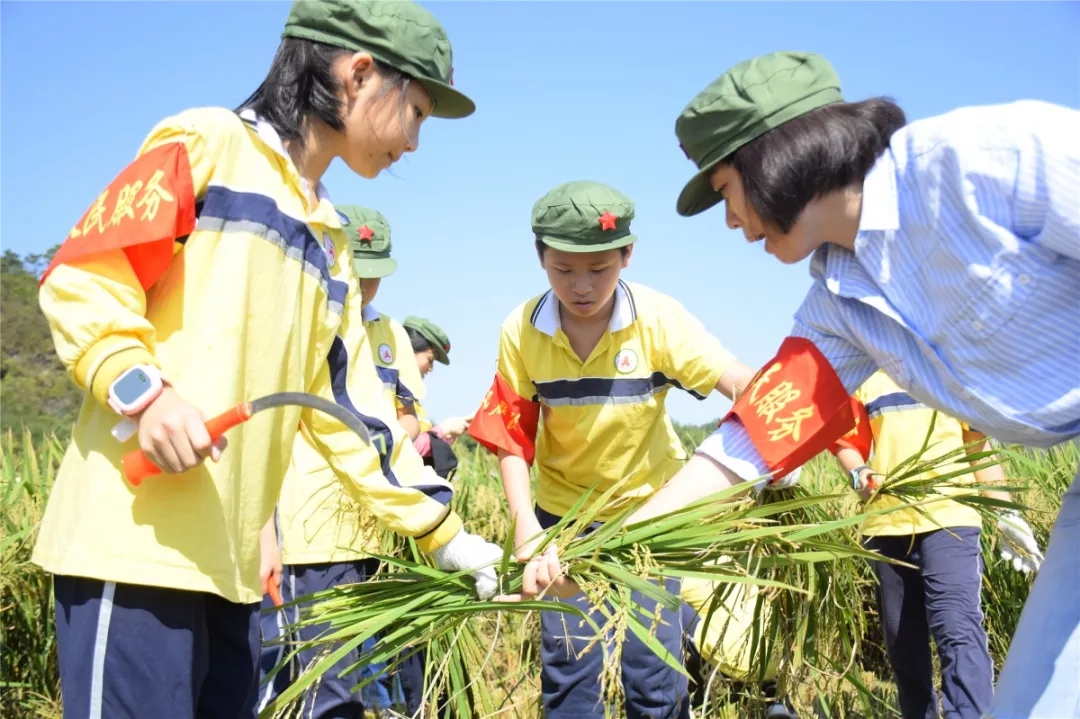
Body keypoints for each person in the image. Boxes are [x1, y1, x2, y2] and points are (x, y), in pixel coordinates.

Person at [517, 51, 1078, 719]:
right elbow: (740, 449)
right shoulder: (842, 307)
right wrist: (602, 550)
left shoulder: (974, 160)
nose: (729, 219)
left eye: (726, 190)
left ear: (773, 158)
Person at [33, 3, 502, 717]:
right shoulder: (209, 145)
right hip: (132, 550)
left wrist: (444, 533)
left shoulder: (328, 238)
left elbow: (348, 410)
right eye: (416, 111)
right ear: (359, 74)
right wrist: (146, 393)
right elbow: (85, 275)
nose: (414, 139)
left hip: (230, 575)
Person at [468, 180, 759, 719]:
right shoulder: (522, 330)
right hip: (566, 524)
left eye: (599, 269)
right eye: (563, 270)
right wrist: (525, 524)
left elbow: (737, 378)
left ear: (627, 254)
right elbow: (511, 435)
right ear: (540, 259)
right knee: (571, 669)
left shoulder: (657, 319)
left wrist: (764, 410)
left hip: (649, 518)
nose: (581, 287)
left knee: (652, 672)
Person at [257, 205, 431, 717]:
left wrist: (389, 440)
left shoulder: (389, 335)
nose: (367, 286)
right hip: (313, 537)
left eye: (376, 275)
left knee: (370, 683)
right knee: (320, 685)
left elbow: (411, 414)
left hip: (381, 535)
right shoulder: (294, 327)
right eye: (360, 272)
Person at [833, 370, 1040, 719]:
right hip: (887, 523)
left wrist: (1008, 516)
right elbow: (846, 442)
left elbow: (978, 444)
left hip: (950, 520)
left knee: (956, 626)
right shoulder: (865, 376)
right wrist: (859, 474)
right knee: (903, 641)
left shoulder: (948, 370)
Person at [680, 570, 797, 719]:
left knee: (673, 612)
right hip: (774, 651)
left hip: (735, 656)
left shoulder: (676, 576)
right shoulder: (734, 559)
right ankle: (776, 697)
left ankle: (682, 704)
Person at [403, 315, 472, 476]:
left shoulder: (410, 399)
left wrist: (447, 433)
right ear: (408, 350)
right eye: (430, 359)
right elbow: (400, 450)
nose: (431, 368)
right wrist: (442, 430)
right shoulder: (386, 392)